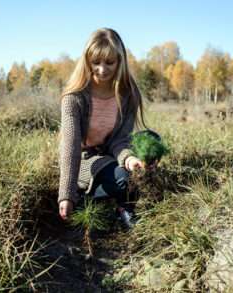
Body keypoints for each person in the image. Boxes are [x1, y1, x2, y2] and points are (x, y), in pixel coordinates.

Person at [58, 28, 158, 227]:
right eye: (96, 62)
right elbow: (70, 148)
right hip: (87, 158)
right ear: (87, 61)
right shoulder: (74, 98)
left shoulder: (128, 93)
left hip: (114, 152)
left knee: (152, 140)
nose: (102, 69)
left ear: (120, 61)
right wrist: (66, 195)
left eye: (109, 62)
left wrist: (129, 159)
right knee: (122, 178)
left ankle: (124, 202)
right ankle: (96, 201)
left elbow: (121, 139)